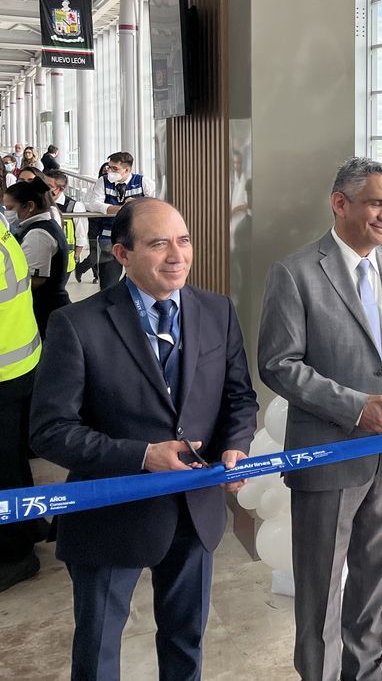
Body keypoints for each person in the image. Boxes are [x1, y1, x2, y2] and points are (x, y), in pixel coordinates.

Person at [29, 198, 258, 679]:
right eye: (158, 244)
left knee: (186, 641)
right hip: (111, 514)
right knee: (98, 652)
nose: (177, 255)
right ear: (123, 254)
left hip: (195, 510)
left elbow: (240, 398)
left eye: (183, 240)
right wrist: (143, 456)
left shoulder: (217, 311)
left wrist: (235, 444)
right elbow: (50, 431)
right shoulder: (76, 324)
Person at [258, 157, 382, 681]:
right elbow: (278, 364)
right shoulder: (295, 272)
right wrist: (352, 407)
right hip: (330, 454)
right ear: (340, 203)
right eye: (375, 203)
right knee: (320, 587)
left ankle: (367, 672)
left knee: (376, 580)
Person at [0, 210, 43, 593]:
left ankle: (17, 554)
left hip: (5, 373)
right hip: (17, 366)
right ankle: (30, 522)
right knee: (11, 458)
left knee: (4, 468)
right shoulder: (4, 230)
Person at [3, 177, 70, 337]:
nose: (7, 213)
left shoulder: (38, 235)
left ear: (30, 206)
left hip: (45, 310)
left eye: (10, 207)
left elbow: (36, 280)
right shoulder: (40, 227)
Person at [83, 151, 156, 290]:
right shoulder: (103, 181)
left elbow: (155, 204)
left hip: (137, 236)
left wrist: (136, 204)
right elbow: (94, 204)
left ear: (127, 170)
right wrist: (120, 209)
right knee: (108, 282)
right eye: (109, 167)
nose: (110, 171)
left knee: (141, 279)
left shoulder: (142, 182)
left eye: (114, 168)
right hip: (108, 237)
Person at [45, 168, 89, 275]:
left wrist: (77, 255)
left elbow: (81, 233)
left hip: (64, 258)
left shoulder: (74, 207)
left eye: (49, 186)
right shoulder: (38, 203)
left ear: (60, 189)